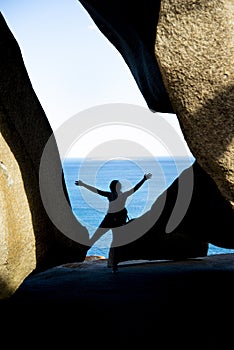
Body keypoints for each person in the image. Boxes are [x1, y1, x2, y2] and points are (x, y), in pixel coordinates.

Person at [75, 173, 152, 248]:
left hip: (112, 219)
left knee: (96, 238)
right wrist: (144, 179)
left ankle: (84, 250)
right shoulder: (122, 195)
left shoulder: (111, 195)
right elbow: (135, 188)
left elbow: (96, 191)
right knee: (101, 238)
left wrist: (83, 184)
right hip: (115, 219)